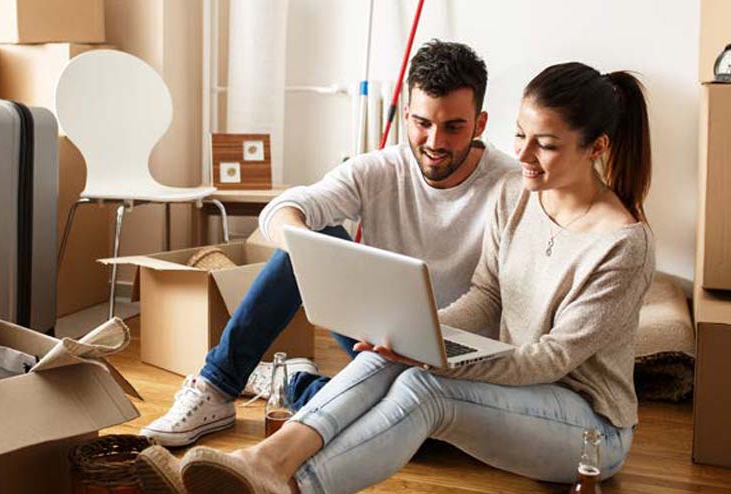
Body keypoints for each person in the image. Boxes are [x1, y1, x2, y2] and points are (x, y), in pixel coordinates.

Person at [157, 61, 656, 494]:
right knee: (393, 351)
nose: (523, 156)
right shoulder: (519, 195)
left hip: (589, 423)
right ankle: (263, 462)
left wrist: (441, 361)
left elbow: (552, 359)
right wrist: (417, 333)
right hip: (517, 386)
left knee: (426, 386)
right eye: (520, 136)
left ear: (597, 148)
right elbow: (486, 295)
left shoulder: (622, 244)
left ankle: (291, 486)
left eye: (544, 145)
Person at [141, 40, 518, 447]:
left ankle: (293, 383)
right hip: (377, 332)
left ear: (479, 124)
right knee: (309, 236)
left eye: (453, 127)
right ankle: (217, 386)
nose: (433, 141)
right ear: (406, 114)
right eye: (422, 122)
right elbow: (281, 210)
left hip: (455, 349)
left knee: (416, 431)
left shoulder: (512, 184)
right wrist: (304, 244)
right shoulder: (380, 168)